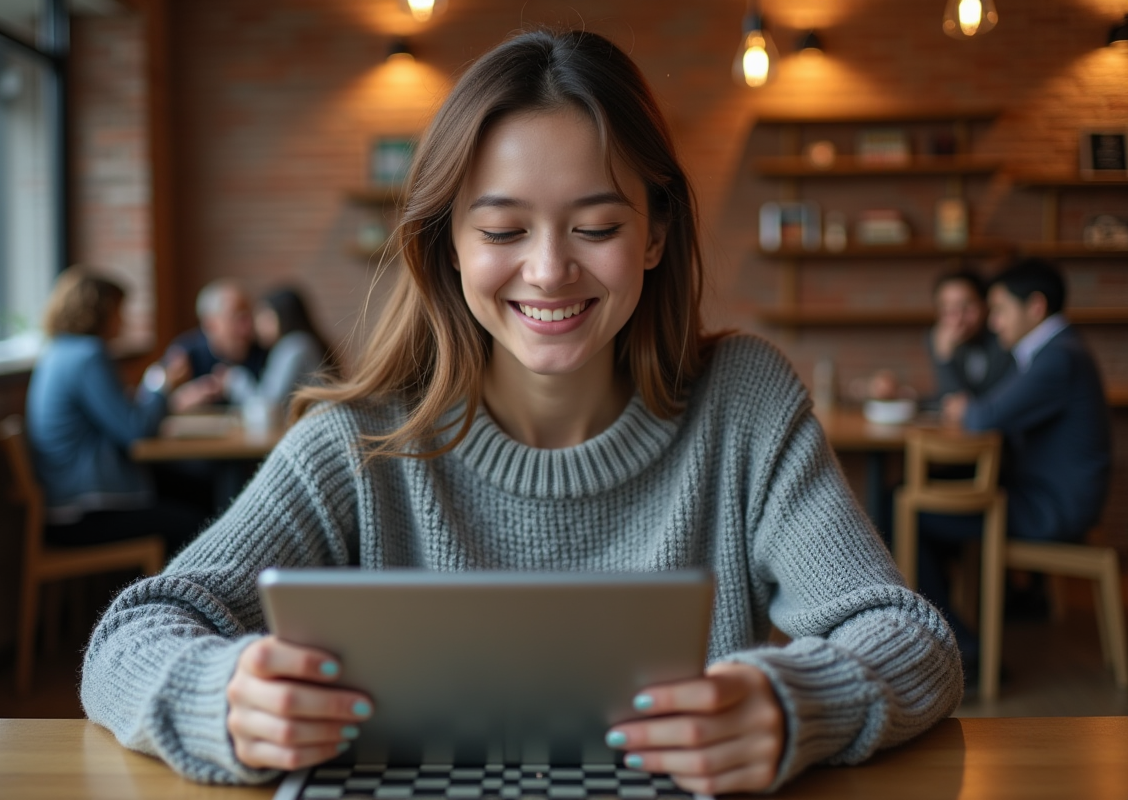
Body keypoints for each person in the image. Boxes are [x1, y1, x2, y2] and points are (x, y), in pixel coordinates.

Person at [81, 30, 961, 795]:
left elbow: (908, 637)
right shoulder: (358, 444)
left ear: (654, 234)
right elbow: (130, 637)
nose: (548, 271)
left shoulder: (743, 403)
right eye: (502, 231)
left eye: (597, 227)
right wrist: (223, 697)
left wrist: (788, 702)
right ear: (448, 245)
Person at [926, 259, 1112, 657]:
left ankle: (963, 651)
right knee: (923, 501)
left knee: (910, 509)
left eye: (1000, 310)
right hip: (1046, 493)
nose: (994, 323)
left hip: (1053, 507)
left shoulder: (1058, 356)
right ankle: (961, 631)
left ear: (1036, 307)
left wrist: (965, 404)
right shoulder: (1057, 350)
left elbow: (984, 415)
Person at [26, 267, 209, 556]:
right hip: (83, 513)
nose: (124, 320)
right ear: (100, 311)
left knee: (195, 488)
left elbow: (120, 419)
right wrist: (161, 384)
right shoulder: (88, 355)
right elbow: (136, 431)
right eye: (120, 311)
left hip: (67, 504)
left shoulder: (58, 351)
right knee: (196, 522)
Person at [223, 287, 341, 410]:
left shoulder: (293, 346)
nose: (258, 324)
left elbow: (268, 405)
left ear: (282, 316)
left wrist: (235, 380)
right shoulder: (302, 342)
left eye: (264, 316)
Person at [165, 278, 269, 393]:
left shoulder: (264, 354)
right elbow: (148, 404)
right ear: (210, 324)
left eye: (248, 316)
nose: (247, 327)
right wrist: (176, 400)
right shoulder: (184, 355)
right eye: (236, 318)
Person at [929, 269, 1013, 400]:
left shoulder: (1005, 338)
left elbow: (991, 404)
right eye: (948, 309)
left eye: (967, 307)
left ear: (985, 305)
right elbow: (948, 400)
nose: (957, 320)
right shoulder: (938, 339)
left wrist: (945, 359)